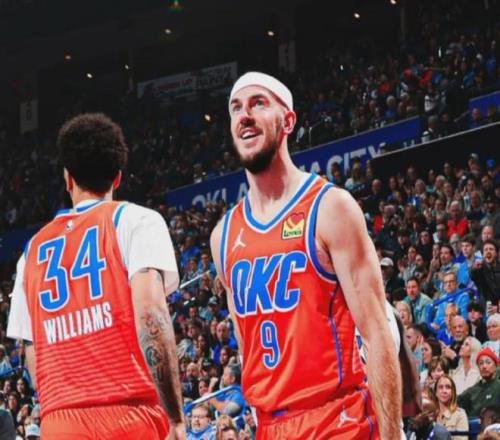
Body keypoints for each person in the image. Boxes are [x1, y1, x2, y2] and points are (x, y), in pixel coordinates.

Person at [210, 72, 402, 439]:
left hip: (336, 419)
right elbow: (246, 343)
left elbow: (377, 335)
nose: (245, 115)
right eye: (236, 108)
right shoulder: (223, 236)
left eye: (258, 104)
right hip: (271, 425)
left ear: (288, 121)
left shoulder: (331, 207)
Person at [6, 114, 185, 439]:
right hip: (129, 414)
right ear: (117, 177)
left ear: (67, 178)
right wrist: (174, 416)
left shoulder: (30, 251)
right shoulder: (136, 221)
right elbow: (151, 313)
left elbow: (31, 347)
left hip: (59, 421)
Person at [458, 347, 500, 417]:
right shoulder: (471, 391)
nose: (484, 366)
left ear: (495, 366)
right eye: (481, 363)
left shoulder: (498, 387)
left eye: (488, 362)